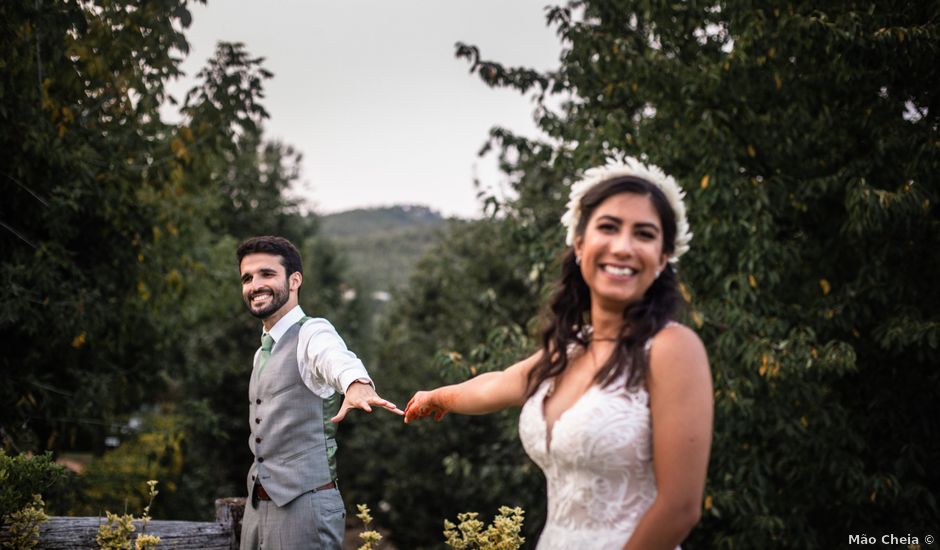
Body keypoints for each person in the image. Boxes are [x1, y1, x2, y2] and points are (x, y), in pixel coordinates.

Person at [404, 159, 713, 549]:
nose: (623, 246)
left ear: (663, 256)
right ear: (580, 243)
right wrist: (434, 397)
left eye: (645, 234)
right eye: (608, 227)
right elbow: (497, 385)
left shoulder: (673, 348)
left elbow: (680, 508)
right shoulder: (570, 349)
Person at [236, 236, 403, 550]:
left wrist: (356, 384)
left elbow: (335, 358)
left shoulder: (312, 332)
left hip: (304, 508)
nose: (255, 285)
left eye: (267, 274)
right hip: (257, 509)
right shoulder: (261, 354)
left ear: (294, 279)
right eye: (247, 278)